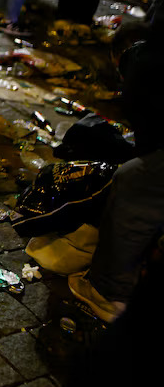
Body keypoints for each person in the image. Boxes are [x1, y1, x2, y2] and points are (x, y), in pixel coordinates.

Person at [68, 27, 164, 324]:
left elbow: (148, 146)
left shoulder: (142, 70)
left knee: (133, 183)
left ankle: (107, 292)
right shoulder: (152, 65)